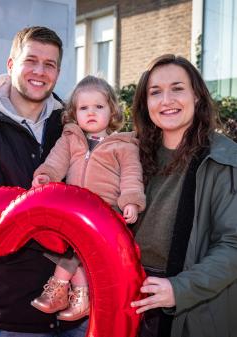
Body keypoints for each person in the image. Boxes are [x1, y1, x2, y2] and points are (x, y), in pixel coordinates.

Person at [0, 26, 88, 337]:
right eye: (31, 60)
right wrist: (70, 241)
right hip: (16, 311)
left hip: (80, 309)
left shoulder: (72, 123)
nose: (40, 72)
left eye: (50, 64)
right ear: (11, 64)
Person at [130, 54, 237, 337]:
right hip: (129, 298)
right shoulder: (130, 155)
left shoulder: (225, 159)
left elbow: (233, 244)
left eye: (177, 88)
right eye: (155, 92)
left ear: (197, 96)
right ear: (145, 103)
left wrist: (179, 289)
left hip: (191, 306)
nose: (166, 100)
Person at [30, 75, 146, 322]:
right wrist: (45, 176)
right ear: (74, 113)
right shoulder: (70, 138)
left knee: (78, 251)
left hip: (106, 213)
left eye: (99, 107)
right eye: (84, 108)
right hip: (74, 210)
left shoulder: (123, 145)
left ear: (112, 111)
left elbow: (131, 176)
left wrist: (131, 201)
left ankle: (58, 287)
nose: (91, 112)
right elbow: (55, 162)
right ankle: (81, 296)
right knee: (70, 249)